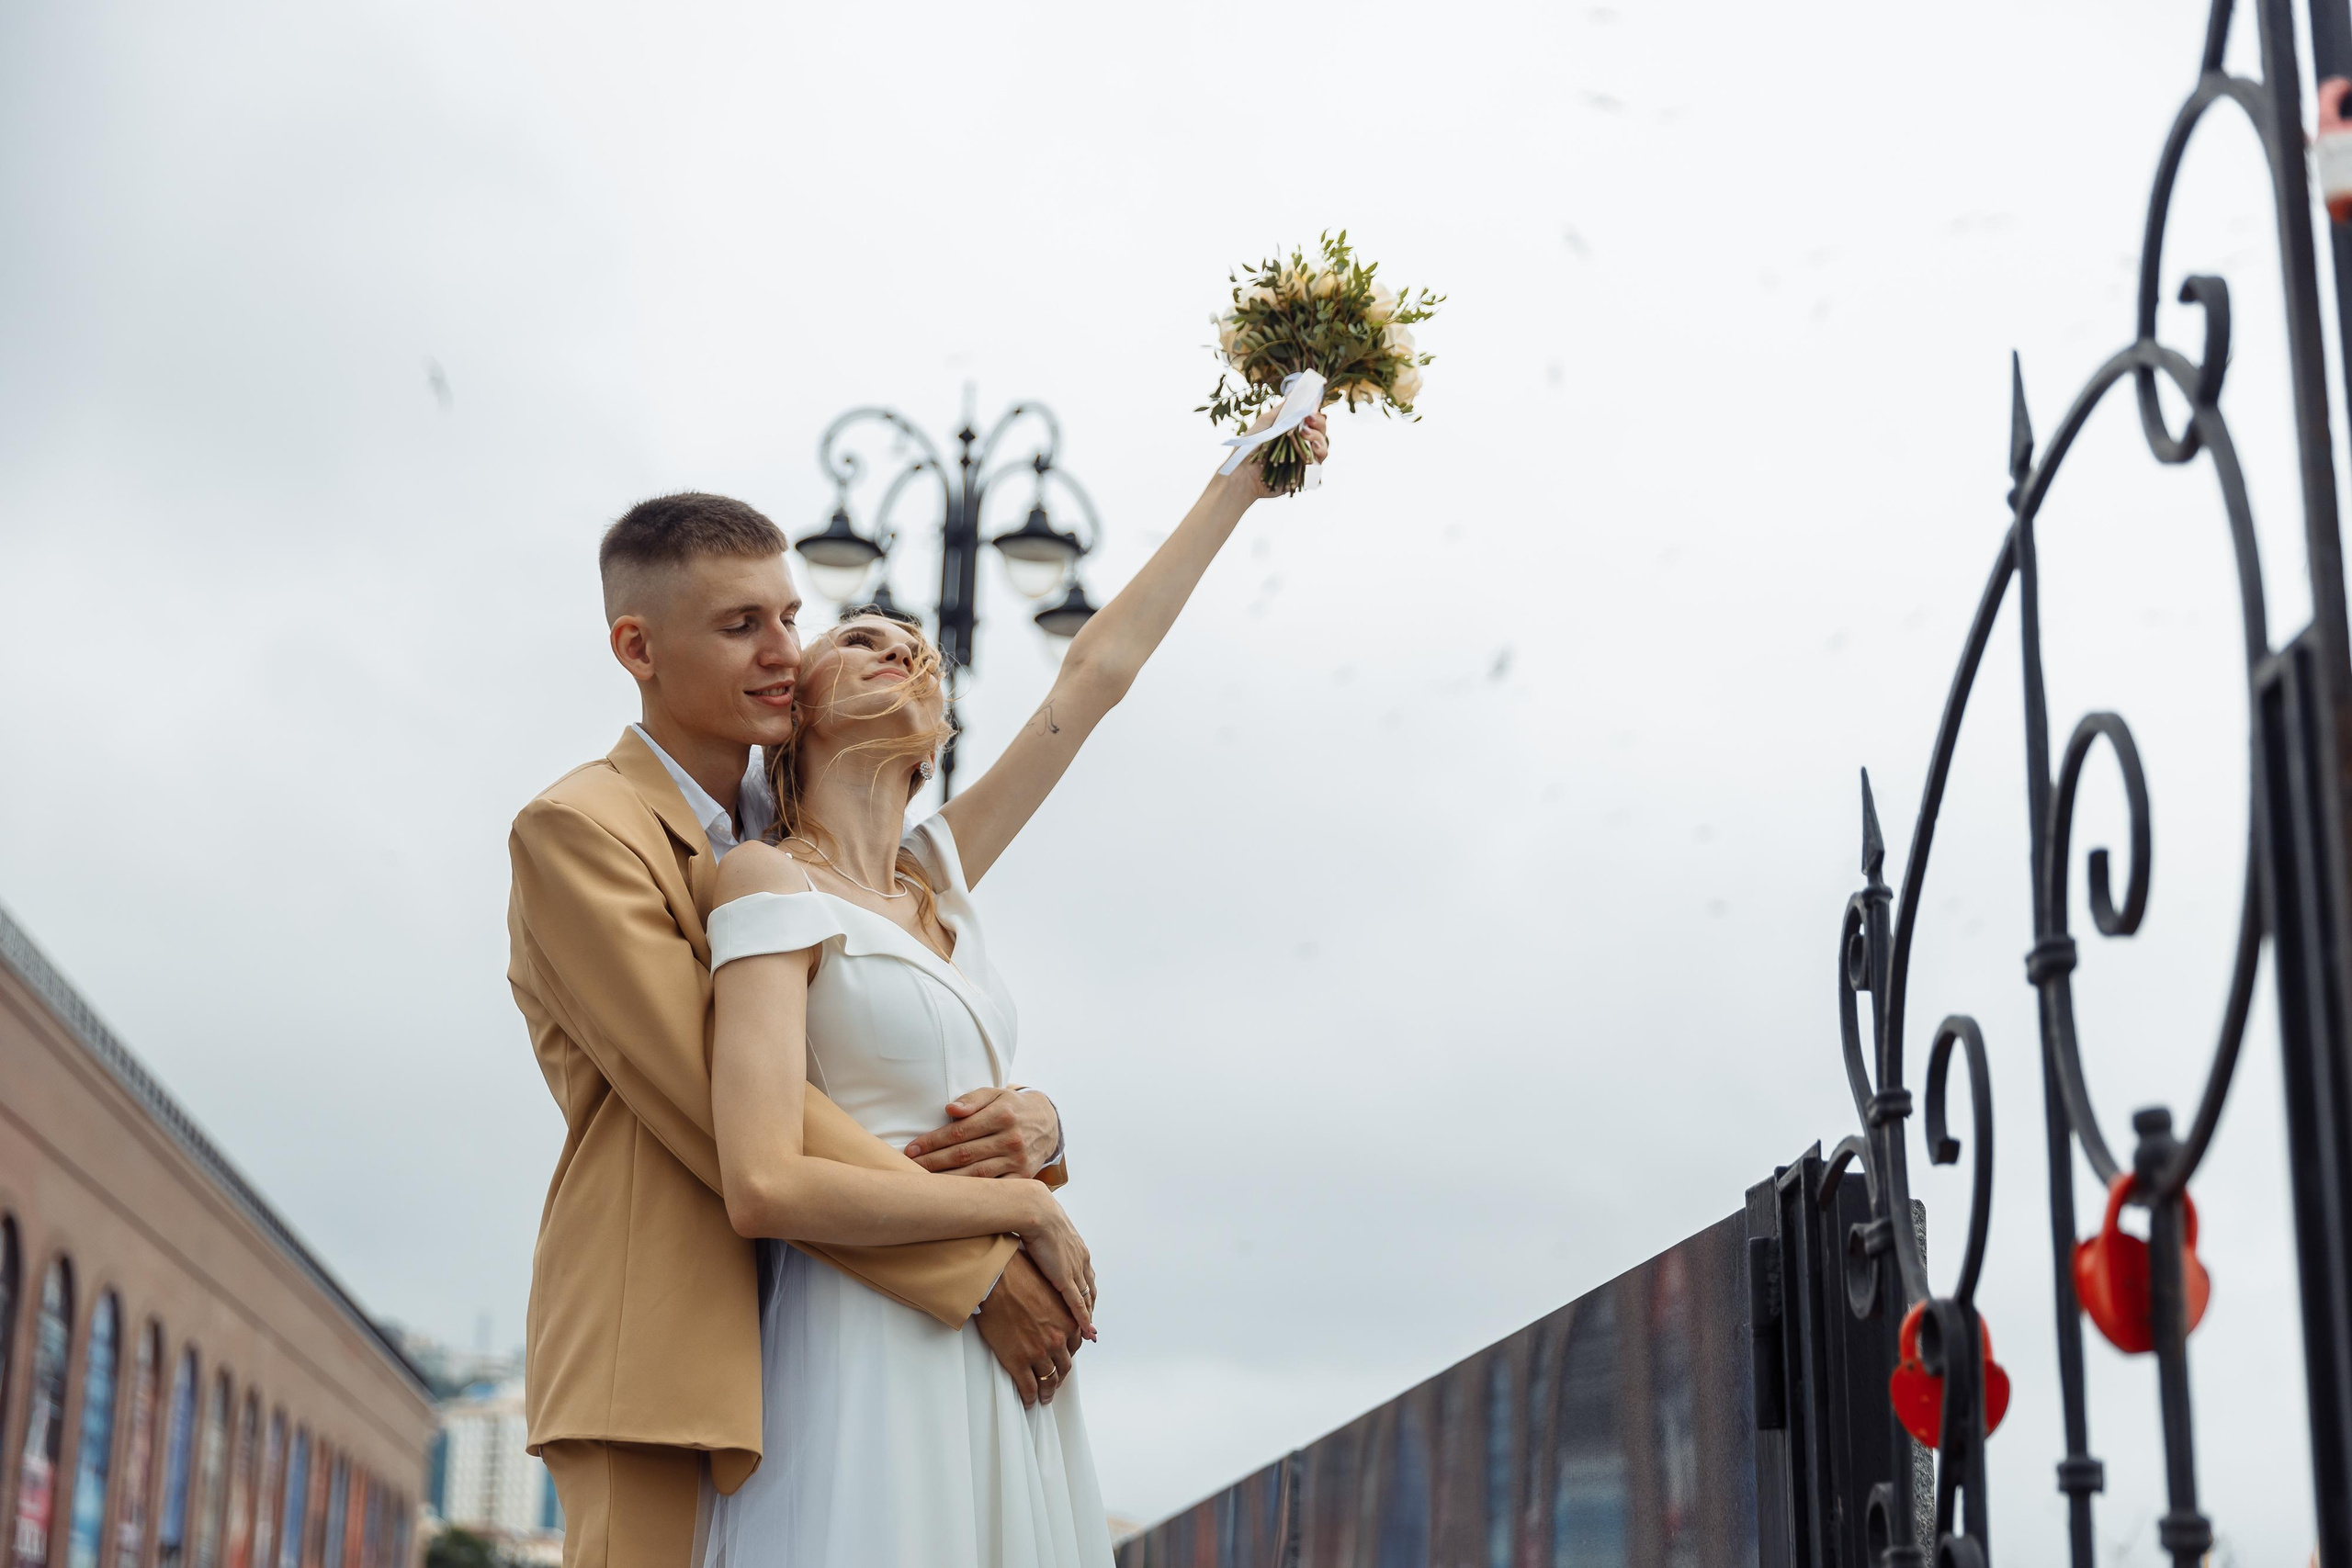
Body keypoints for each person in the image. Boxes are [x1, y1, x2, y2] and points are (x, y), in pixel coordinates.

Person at [694, 409, 1330, 1567]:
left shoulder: (940, 879)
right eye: (864, 642)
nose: (902, 654)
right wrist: (1024, 1205)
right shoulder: (764, 879)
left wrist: (1238, 482)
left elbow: (1096, 677)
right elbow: (761, 1179)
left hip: (1006, 1362)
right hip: (865, 1338)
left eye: (916, 652)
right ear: (798, 717)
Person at [506, 492, 1084, 1568]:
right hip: (669, 1369)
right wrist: (982, 1258)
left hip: (819, 1345)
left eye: (788, 616)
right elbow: (719, 1108)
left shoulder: (779, 851)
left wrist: (1042, 1130)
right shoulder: (580, 829)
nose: (785, 652)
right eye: (741, 627)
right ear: (637, 646)